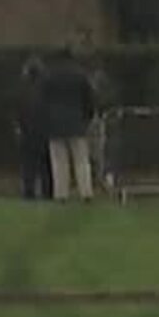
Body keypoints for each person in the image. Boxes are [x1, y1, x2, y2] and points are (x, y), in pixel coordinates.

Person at [41, 48, 98, 202]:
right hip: (76, 122)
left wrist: (46, 120)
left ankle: (61, 194)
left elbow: (42, 101)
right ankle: (86, 192)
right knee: (81, 160)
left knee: (59, 161)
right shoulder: (80, 75)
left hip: (54, 124)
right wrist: (87, 118)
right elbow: (89, 99)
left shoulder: (49, 76)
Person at [16, 57, 53, 201]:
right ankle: (47, 192)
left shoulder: (22, 90)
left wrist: (19, 127)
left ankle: (28, 192)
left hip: (27, 131)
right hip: (45, 131)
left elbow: (19, 110)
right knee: (46, 164)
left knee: (28, 165)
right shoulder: (47, 90)